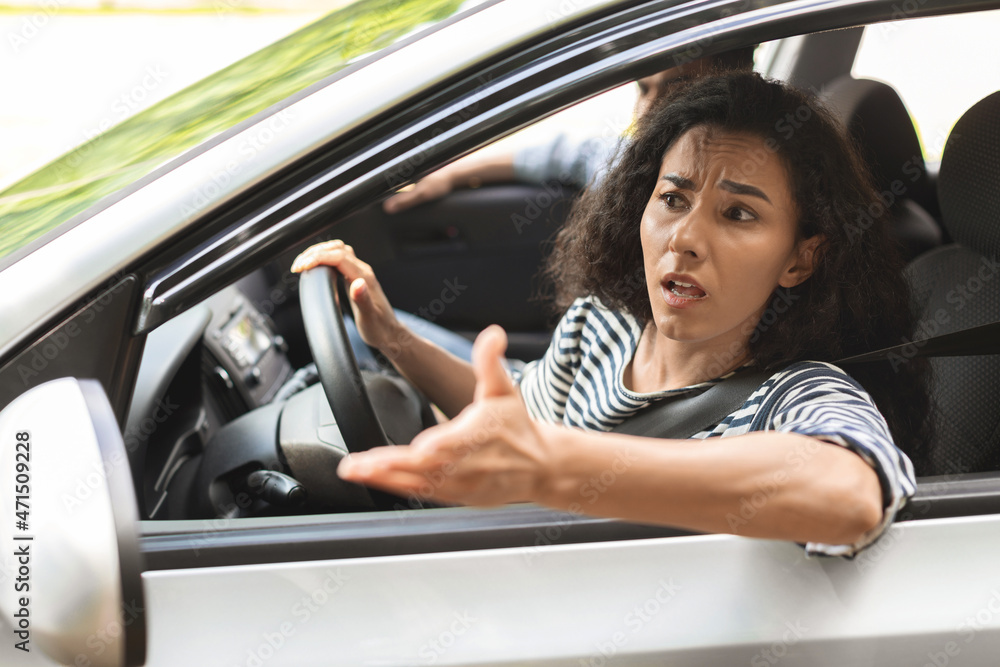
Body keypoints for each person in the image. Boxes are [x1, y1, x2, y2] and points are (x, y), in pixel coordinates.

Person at [290, 71, 930, 557]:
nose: (685, 238)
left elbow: (847, 493)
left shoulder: (796, 393)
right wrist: (394, 338)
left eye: (738, 214)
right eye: (673, 198)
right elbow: (518, 413)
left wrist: (553, 468)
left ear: (800, 259)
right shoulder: (604, 324)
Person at [381, 47, 756, 214]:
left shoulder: (752, 184)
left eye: (677, 87)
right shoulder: (620, 160)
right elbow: (560, 154)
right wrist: (451, 176)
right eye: (643, 88)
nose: (648, 109)